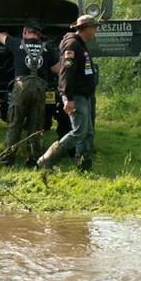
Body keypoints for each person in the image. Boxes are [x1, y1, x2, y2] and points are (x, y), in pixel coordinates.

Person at [37, 14, 99, 172]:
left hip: (84, 95)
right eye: (94, 28)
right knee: (78, 132)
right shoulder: (72, 44)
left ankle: (83, 165)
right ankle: (46, 159)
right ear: (88, 29)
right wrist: (68, 98)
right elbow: (66, 73)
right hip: (76, 96)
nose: (95, 32)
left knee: (87, 132)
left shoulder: (80, 43)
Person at [0, 19, 60, 167]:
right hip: (40, 88)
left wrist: (11, 36)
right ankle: (34, 161)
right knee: (36, 126)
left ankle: (7, 161)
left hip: (21, 87)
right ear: (40, 34)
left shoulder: (16, 43)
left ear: (25, 32)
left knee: (14, 124)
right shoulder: (47, 47)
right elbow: (57, 69)